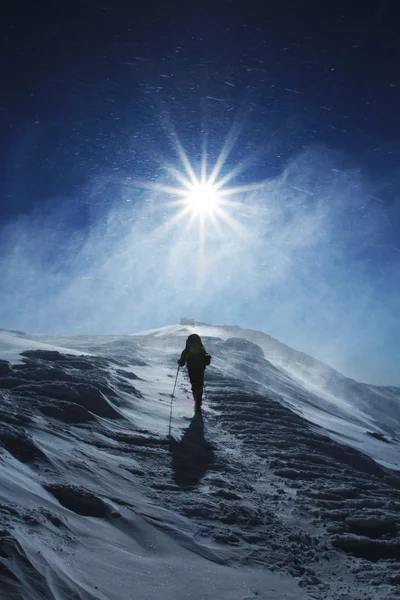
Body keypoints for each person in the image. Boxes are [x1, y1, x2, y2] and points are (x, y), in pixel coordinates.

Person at [178, 334, 211, 413]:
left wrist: (180, 362)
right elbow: (206, 360)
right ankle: (198, 404)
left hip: (191, 368)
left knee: (194, 384)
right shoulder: (202, 348)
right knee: (199, 384)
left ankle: (197, 403)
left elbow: (182, 362)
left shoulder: (187, 349)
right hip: (200, 368)